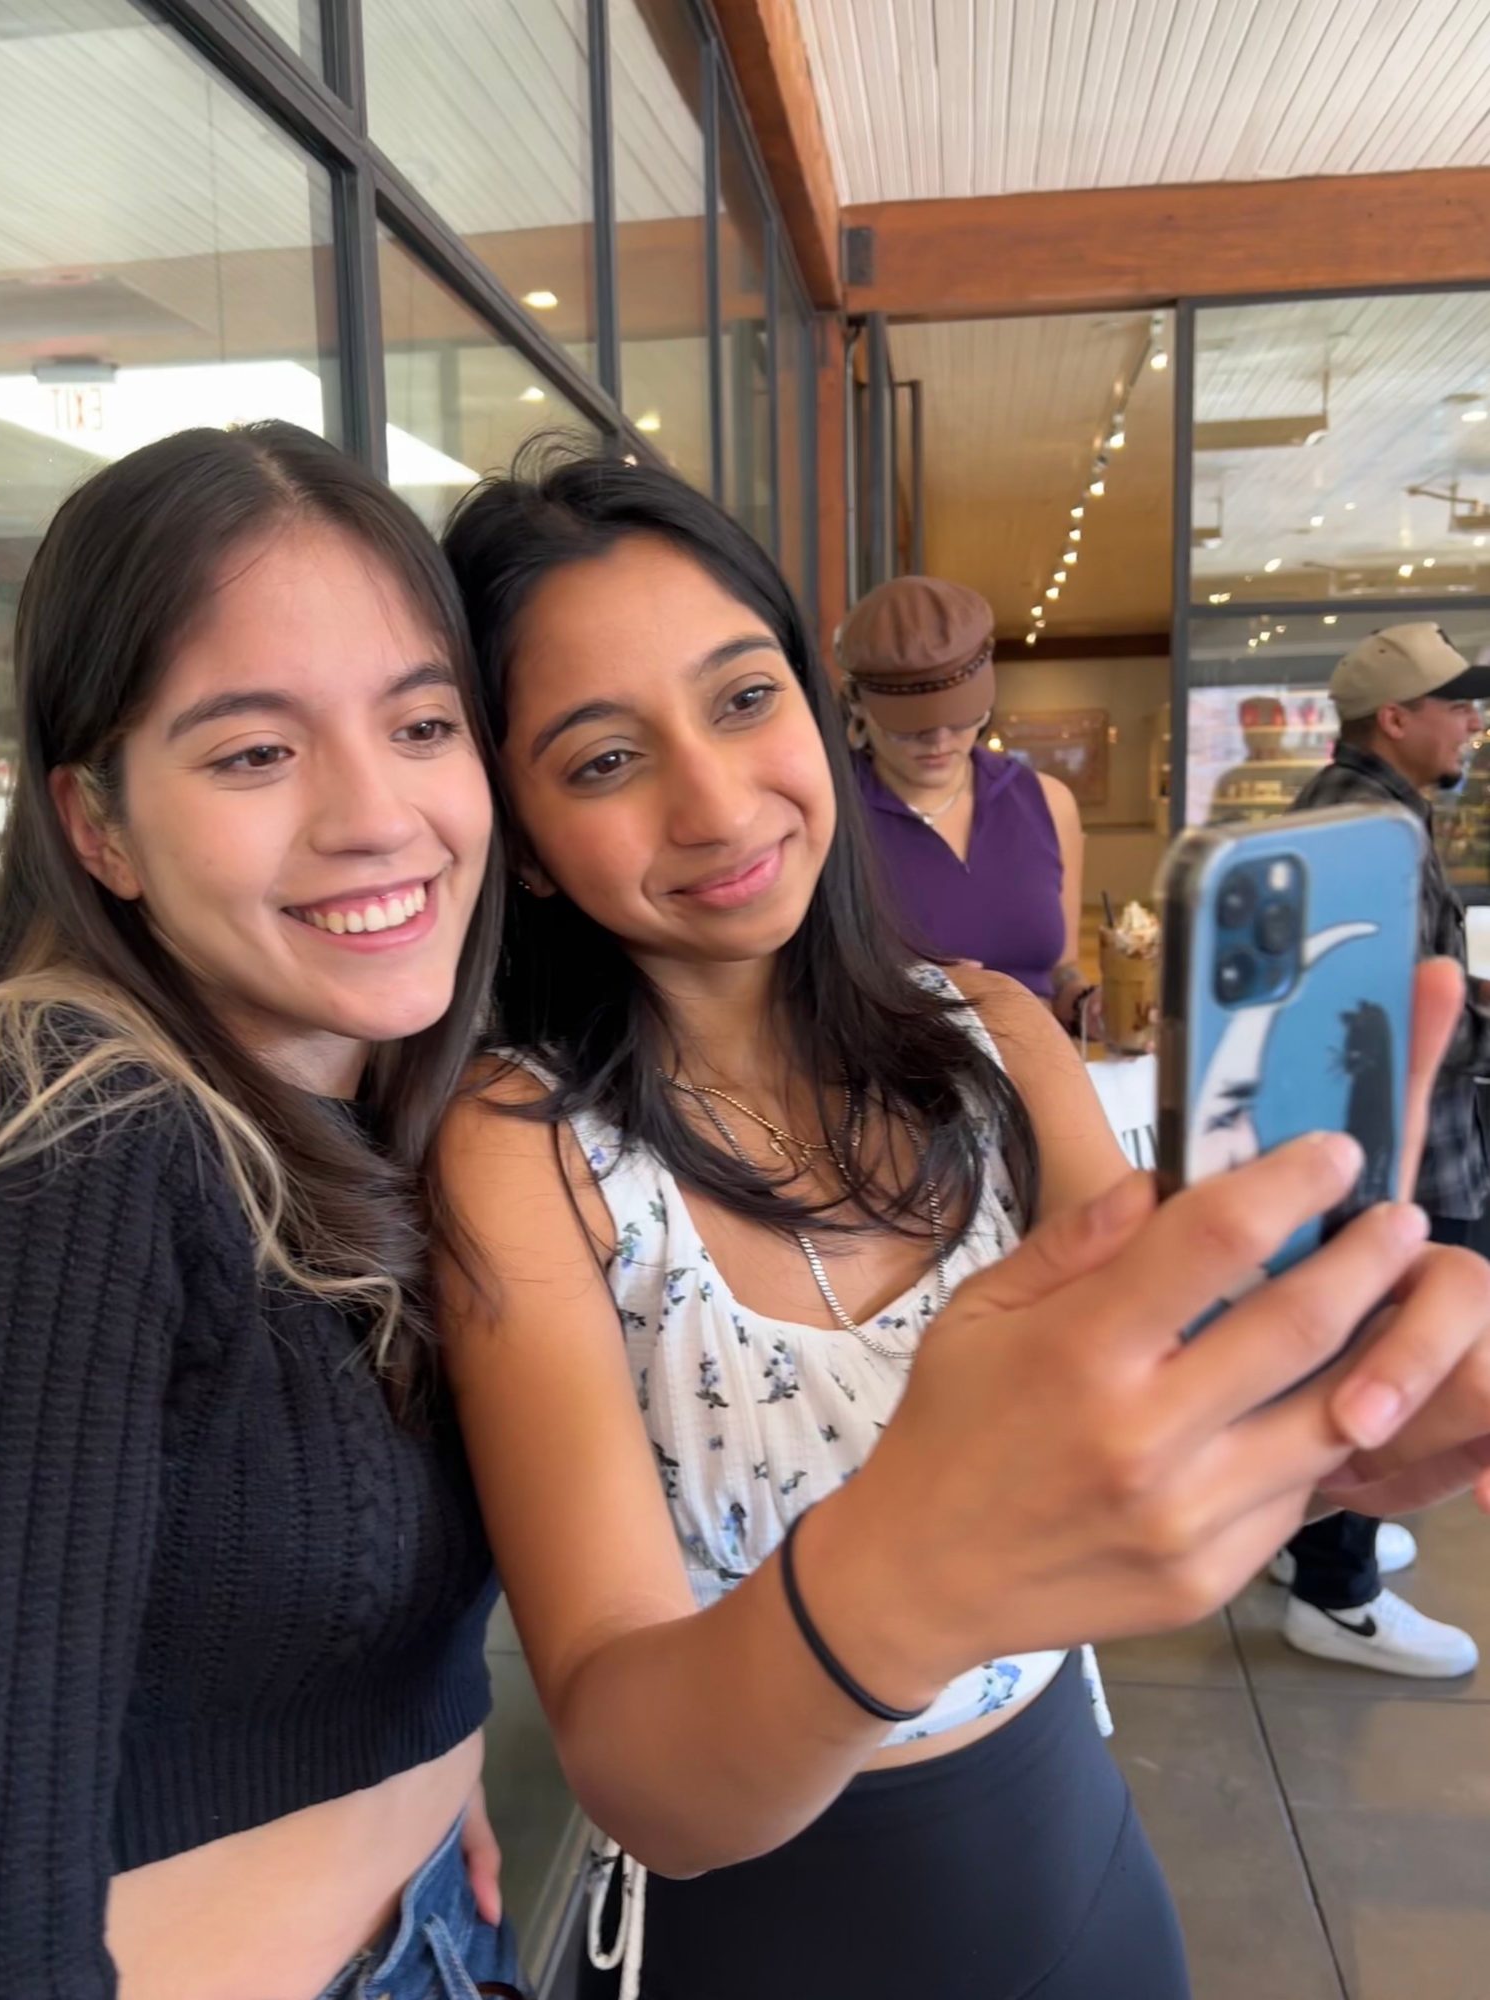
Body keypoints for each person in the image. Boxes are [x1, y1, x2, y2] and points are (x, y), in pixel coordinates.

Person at [435, 452, 1490, 2000]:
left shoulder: (996, 1038)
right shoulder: (520, 1145)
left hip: (1075, 1869)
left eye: (745, 699)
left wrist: (1348, 1411)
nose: (716, 802)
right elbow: (634, 1769)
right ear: (521, 835)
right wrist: (917, 1568)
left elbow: (1199, 1397)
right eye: (602, 760)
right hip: (765, 1940)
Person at [0, 424, 523, 2000]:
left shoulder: (379, 1106)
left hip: (436, 1935)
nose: (375, 813)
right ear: (96, 826)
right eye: (252, 753)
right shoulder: (82, 1127)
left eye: (421, 724)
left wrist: (430, 1754)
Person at [1275, 621, 1490, 1677]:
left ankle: (1316, 1533)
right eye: (1458, 704)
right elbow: (1391, 1020)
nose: (1474, 723)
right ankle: (1336, 1589)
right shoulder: (1372, 830)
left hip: (1370, 1149)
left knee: (1365, 1346)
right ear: (1395, 718)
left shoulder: (1359, 811)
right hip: (1401, 1156)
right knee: (1385, 1360)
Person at [839, 576, 1096, 1031]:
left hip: (1035, 1067)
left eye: (960, 718)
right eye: (912, 725)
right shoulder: (830, 815)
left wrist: (1085, 1004)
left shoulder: (1048, 801)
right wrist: (907, 987)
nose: (939, 740)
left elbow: (1060, 969)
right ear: (857, 703)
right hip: (894, 1068)